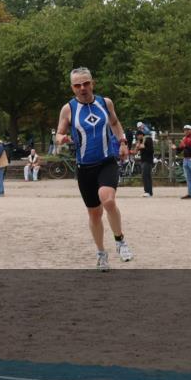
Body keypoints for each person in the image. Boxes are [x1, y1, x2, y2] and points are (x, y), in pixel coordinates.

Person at [55, 67, 133, 271]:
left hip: (106, 161)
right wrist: (61, 138)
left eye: (86, 83)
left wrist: (123, 142)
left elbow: (115, 123)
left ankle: (120, 240)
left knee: (107, 199)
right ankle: (101, 253)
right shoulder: (68, 109)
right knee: (94, 214)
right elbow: (59, 133)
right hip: (85, 168)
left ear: (93, 83)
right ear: (72, 88)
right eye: (77, 85)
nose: (83, 88)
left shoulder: (105, 103)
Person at [174, 125, 191, 199]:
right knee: (188, 178)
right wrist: (175, 148)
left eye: (187, 130)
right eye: (184, 130)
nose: (186, 131)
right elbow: (180, 150)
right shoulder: (184, 138)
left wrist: (185, 145)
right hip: (185, 159)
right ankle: (189, 193)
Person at [138, 130, 154, 197]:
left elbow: (151, 150)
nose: (137, 137)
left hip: (147, 161)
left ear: (141, 135)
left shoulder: (148, 139)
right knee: (147, 176)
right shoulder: (141, 141)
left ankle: (147, 191)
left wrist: (144, 147)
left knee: (145, 176)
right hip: (143, 160)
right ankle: (149, 192)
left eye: (138, 135)